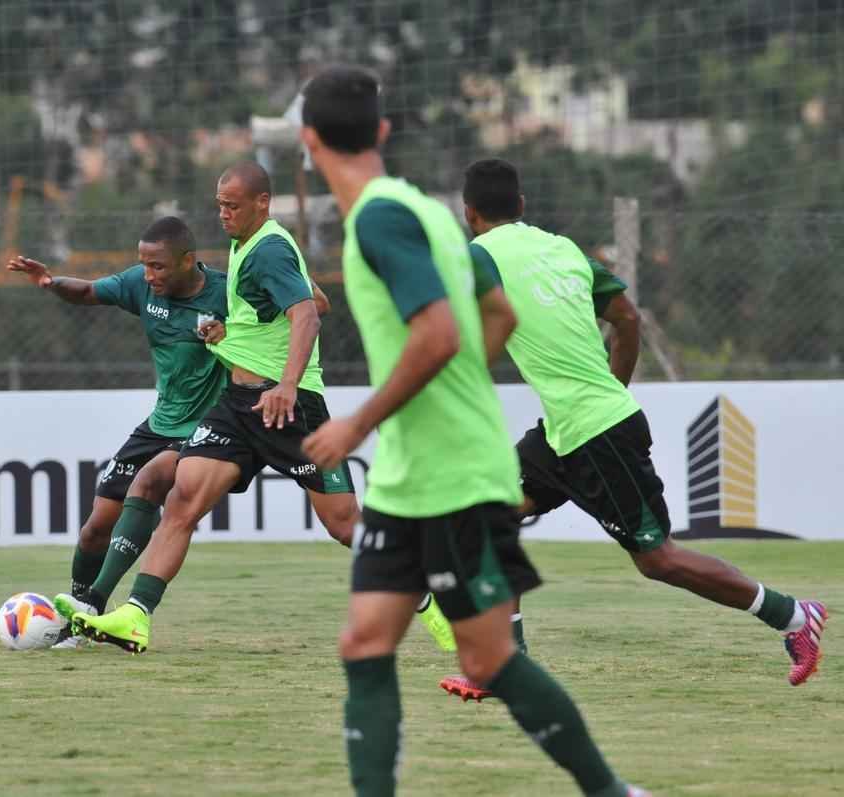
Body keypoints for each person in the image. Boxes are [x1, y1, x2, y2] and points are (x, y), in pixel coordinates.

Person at [297, 66, 647, 797]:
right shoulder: (422, 211)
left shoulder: (381, 221)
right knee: (365, 641)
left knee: (487, 658)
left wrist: (356, 422)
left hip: (449, 471)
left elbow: (438, 333)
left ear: (307, 142)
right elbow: (498, 319)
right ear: (383, 132)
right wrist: (446, 384)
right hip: (410, 472)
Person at [440, 158, 827, 700]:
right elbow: (626, 319)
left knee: (658, 559)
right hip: (566, 430)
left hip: (594, 434)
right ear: (523, 206)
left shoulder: (477, 257)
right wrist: (612, 390)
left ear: (468, 213)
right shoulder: (565, 249)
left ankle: (793, 615)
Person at [72, 161, 377, 654]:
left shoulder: (270, 248)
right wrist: (230, 334)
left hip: (287, 406)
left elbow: (308, 315)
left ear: (263, 202)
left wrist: (286, 384)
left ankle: (429, 589)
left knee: (344, 526)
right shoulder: (248, 246)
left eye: (232, 205)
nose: (223, 214)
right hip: (238, 405)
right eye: (219, 205)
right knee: (181, 499)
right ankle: (135, 616)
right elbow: (312, 298)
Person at [8, 216, 231, 648]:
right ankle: (76, 612)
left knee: (147, 486)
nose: (149, 275)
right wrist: (51, 282)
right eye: (144, 265)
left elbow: (286, 316)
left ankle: (91, 608)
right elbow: (90, 291)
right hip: (159, 423)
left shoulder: (227, 292)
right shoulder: (141, 286)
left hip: (207, 428)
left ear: (189, 260)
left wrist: (235, 333)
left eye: (159, 267)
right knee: (96, 526)